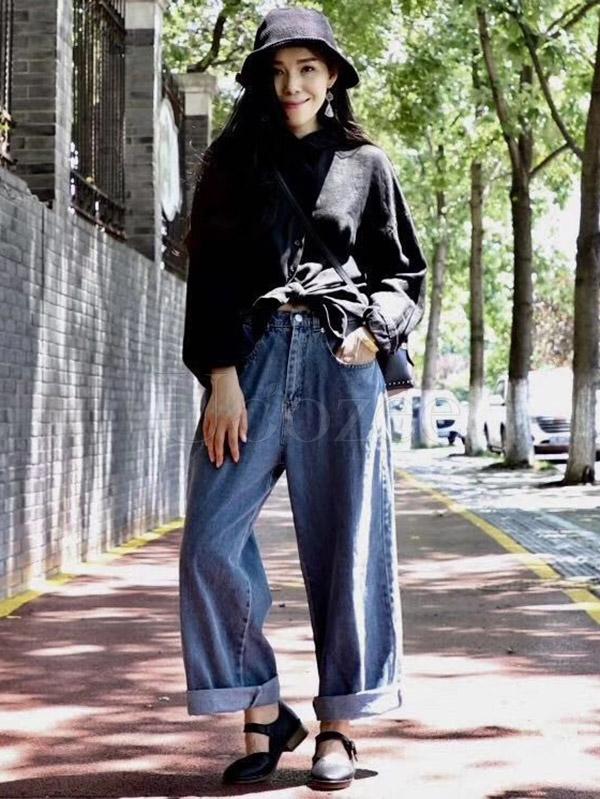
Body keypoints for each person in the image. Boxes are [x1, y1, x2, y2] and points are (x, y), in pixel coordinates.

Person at [179, 6, 428, 791]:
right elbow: (210, 274)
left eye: (308, 69)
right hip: (250, 364)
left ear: (333, 77)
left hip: (339, 363)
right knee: (210, 540)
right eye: (279, 71)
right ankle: (261, 706)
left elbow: (404, 274)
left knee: (348, 544)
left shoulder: (366, 164)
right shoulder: (230, 162)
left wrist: (375, 333)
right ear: (261, 79)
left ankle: (339, 726)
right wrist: (221, 376)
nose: (293, 85)